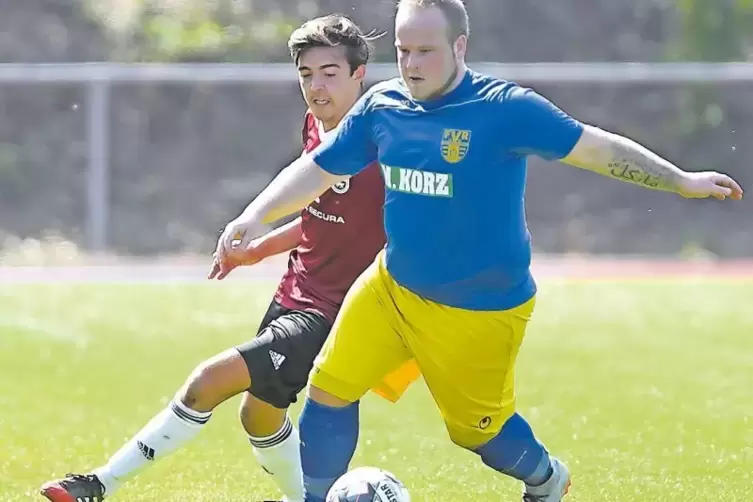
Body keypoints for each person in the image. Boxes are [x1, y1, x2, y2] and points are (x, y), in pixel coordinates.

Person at [213, 1, 745, 501]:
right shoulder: (383, 106)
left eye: (426, 51)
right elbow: (319, 167)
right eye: (403, 50)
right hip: (391, 288)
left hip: (479, 312)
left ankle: (546, 478)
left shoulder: (505, 109)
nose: (412, 64)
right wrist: (254, 216)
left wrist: (680, 180)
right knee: (328, 388)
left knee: (477, 435)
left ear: (460, 47)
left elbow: (595, 148)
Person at [39, 14, 419, 502]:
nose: (316, 86)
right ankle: (307, 498)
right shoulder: (315, 125)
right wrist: (260, 247)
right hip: (296, 289)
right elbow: (326, 211)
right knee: (258, 416)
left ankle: (100, 483)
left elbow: (392, 223)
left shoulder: (384, 142)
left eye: (329, 72)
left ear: (359, 73)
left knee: (209, 380)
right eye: (306, 74)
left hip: (335, 310)